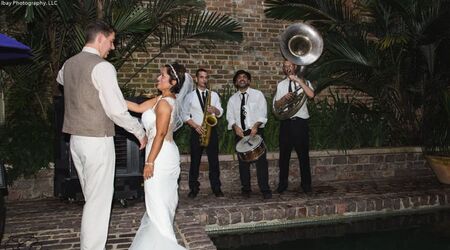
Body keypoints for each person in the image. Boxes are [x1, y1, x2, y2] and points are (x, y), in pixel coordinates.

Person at [56, 20, 147, 250]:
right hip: (97, 141)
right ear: (100, 38)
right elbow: (116, 109)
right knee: (98, 202)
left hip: (76, 141)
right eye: (111, 41)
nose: (113, 47)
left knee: (92, 199)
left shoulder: (68, 64)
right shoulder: (103, 67)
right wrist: (139, 132)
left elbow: (60, 80)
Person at [126, 62, 191, 250]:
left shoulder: (164, 103)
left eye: (162, 76)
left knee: (158, 201)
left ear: (172, 82)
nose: (158, 78)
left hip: (160, 156)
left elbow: (160, 134)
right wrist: (111, 96)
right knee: (158, 201)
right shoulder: (157, 99)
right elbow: (137, 108)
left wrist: (149, 162)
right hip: (159, 152)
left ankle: (166, 244)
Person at [226, 70, 272, 199]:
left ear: (249, 81)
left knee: (261, 162)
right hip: (240, 133)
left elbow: (263, 113)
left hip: (255, 131)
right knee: (243, 163)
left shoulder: (258, 95)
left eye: (245, 77)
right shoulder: (232, 99)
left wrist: (256, 126)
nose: (242, 79)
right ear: (236, 82)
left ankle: (265, 189)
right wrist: (235, 127)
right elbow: (230, 116)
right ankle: (246, 189)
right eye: (239, 77)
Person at [273, 60, 315, 195]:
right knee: (283, 157)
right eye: (285, 66)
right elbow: (277, 105)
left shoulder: (305, 82)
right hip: (286, 123)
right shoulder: (281, 85)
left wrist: (298, 80)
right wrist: (284, 98)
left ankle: (306, 185)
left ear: (295, 66)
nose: (287, 68)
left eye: (289, 65)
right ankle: (283, 184)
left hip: (300, 123)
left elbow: (311, 95)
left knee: (303, 156)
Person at [183, 68, 224, 198]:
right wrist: (195, 126)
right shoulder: (189, 96)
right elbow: (184, 115)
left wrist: (215, 110)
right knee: (195, 162)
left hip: (211, 131)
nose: (204, 80)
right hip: (197, 130)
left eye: (206, 77)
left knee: (214, 162)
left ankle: (216, 188)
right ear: (196, 79)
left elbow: (220, 112)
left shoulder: (214, 95)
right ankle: (193, 188)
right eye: (201, 77)